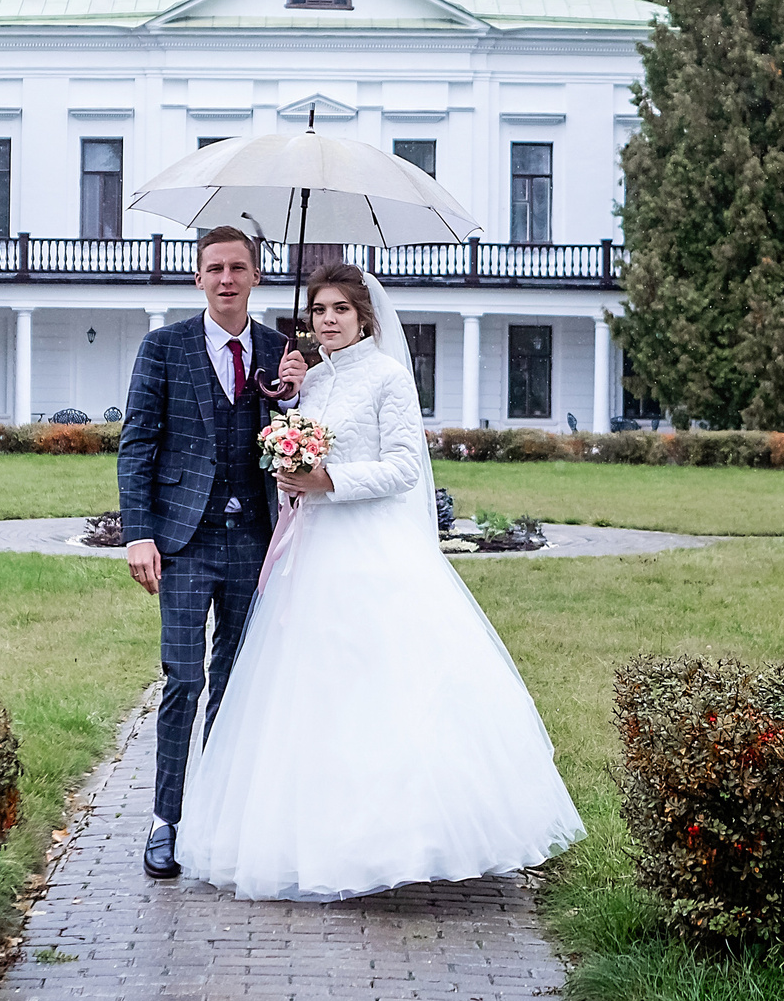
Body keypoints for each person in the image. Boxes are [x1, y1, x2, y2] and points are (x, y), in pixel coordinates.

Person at [177, 262, 584, 899]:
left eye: (340, 309)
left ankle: (402, 842)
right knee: (309, 692)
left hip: (371, 550)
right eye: (319, 310)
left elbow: (401, 468)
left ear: (364, 317)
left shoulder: (389, 378)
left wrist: (327, 481)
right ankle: (314, 839)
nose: (328, 320)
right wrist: (289, 449)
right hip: (311, 553)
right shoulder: (309, 381)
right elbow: (294, 451)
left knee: (379, 685)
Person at [117, 225, 308, 881]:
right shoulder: (163, 347)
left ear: (256, 275)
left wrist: (295, 395)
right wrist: (138, 532)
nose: (227, 279)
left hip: (256, 538)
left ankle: (216, 817)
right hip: (184, 540)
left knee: (234, 679)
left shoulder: (280, 351)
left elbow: (301, 440)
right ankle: (165, 819)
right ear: (198, 278)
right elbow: (137, 443)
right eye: (215, 268)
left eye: (238, 267)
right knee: (184, 678)